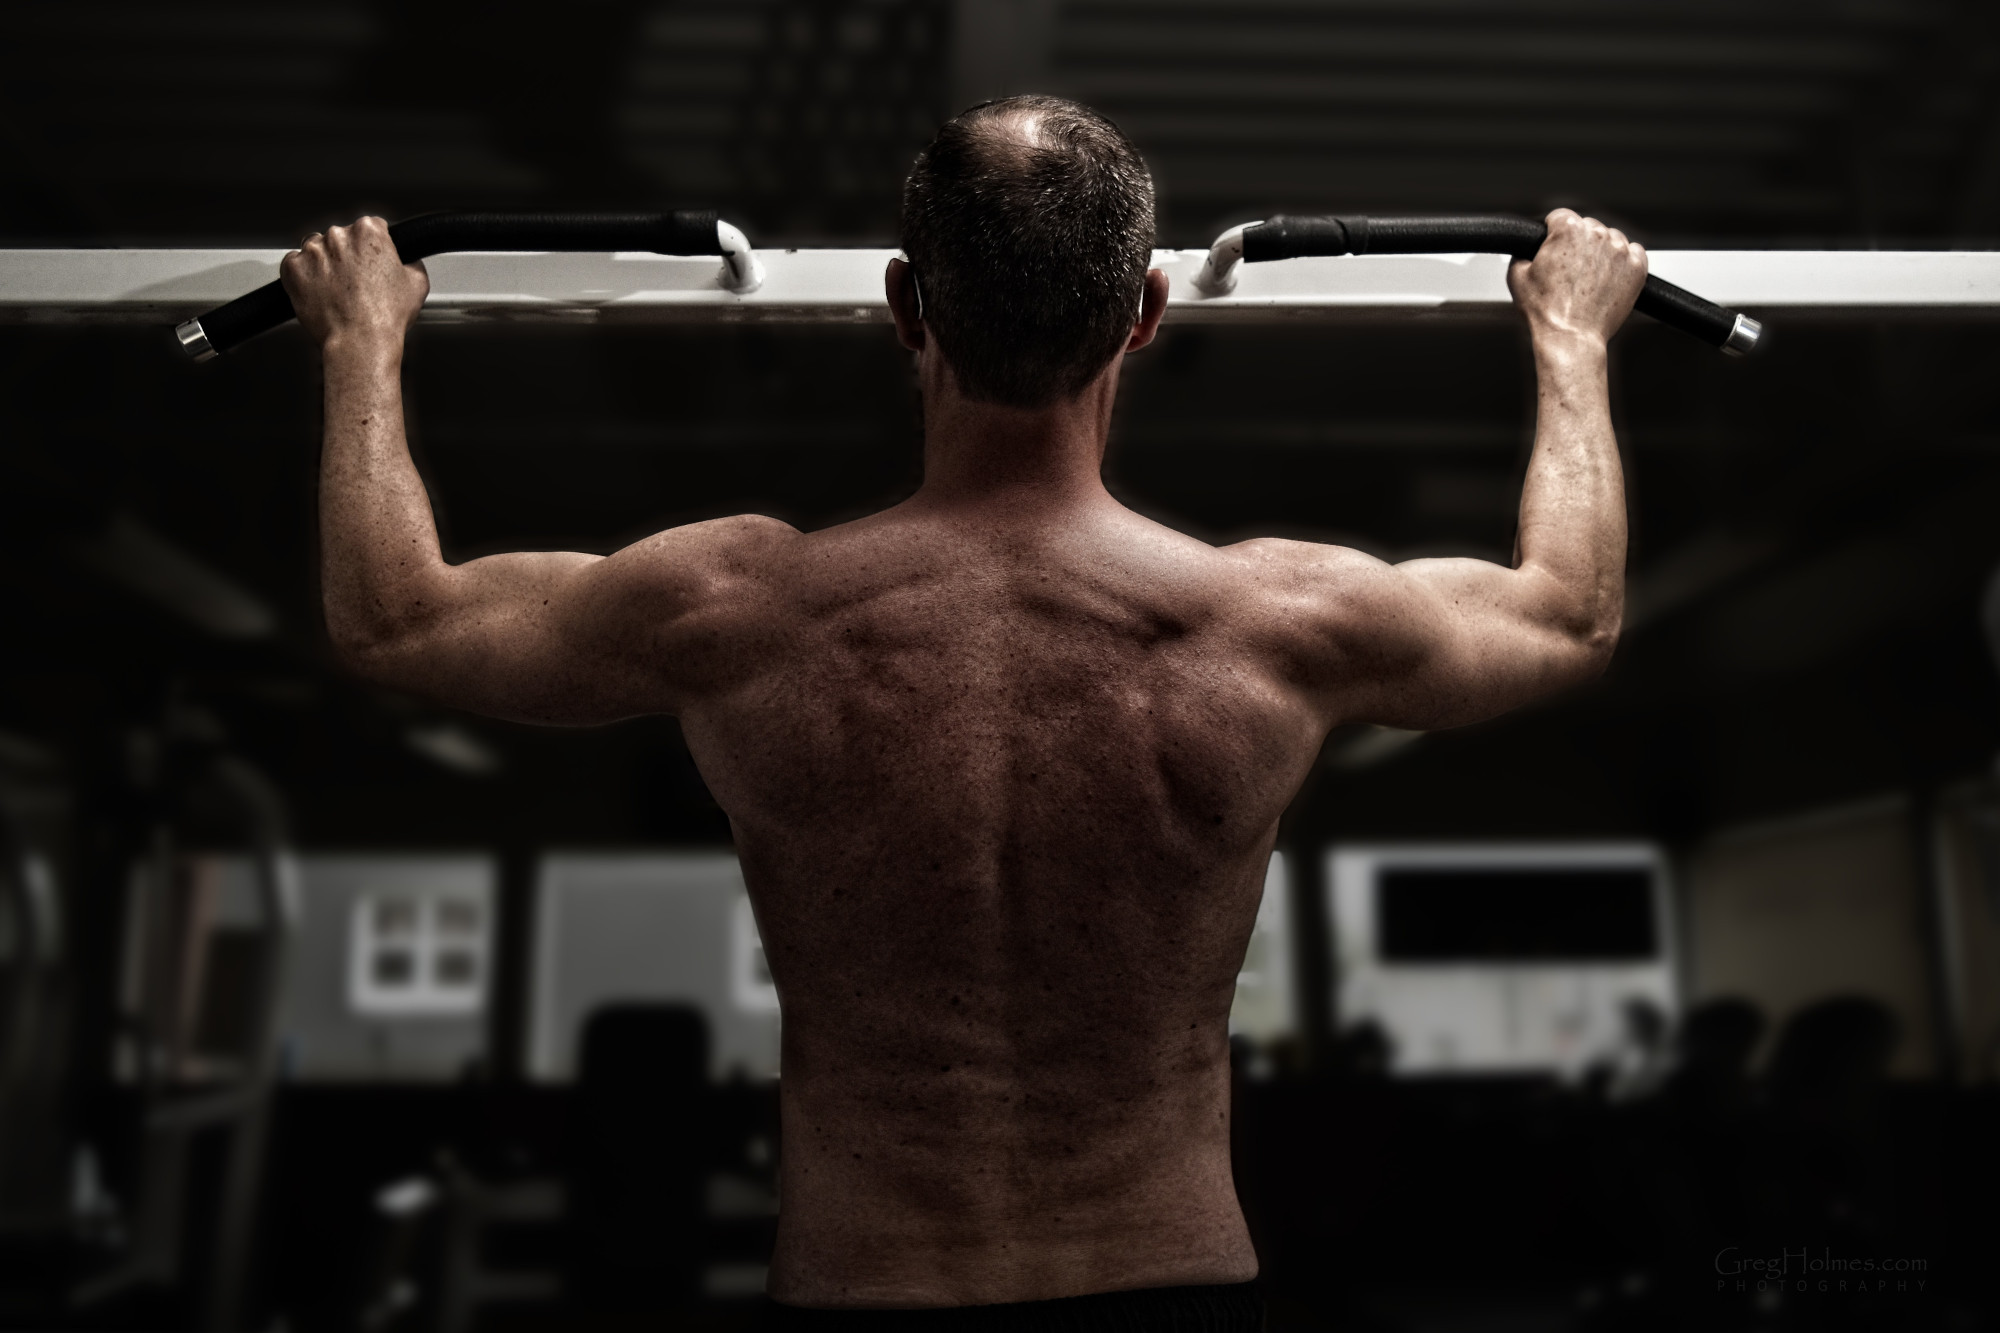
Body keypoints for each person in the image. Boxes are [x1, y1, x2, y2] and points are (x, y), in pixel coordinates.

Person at [283, 95, 1645, 1328]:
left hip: (865, 1284)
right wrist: (1571, 338)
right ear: (1147, 312)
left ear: (904, 306)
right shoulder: (1274, 625)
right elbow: (1569, 613)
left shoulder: (741, 611)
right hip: (1167, 1273)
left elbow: (394, 616)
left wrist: (361, 339)